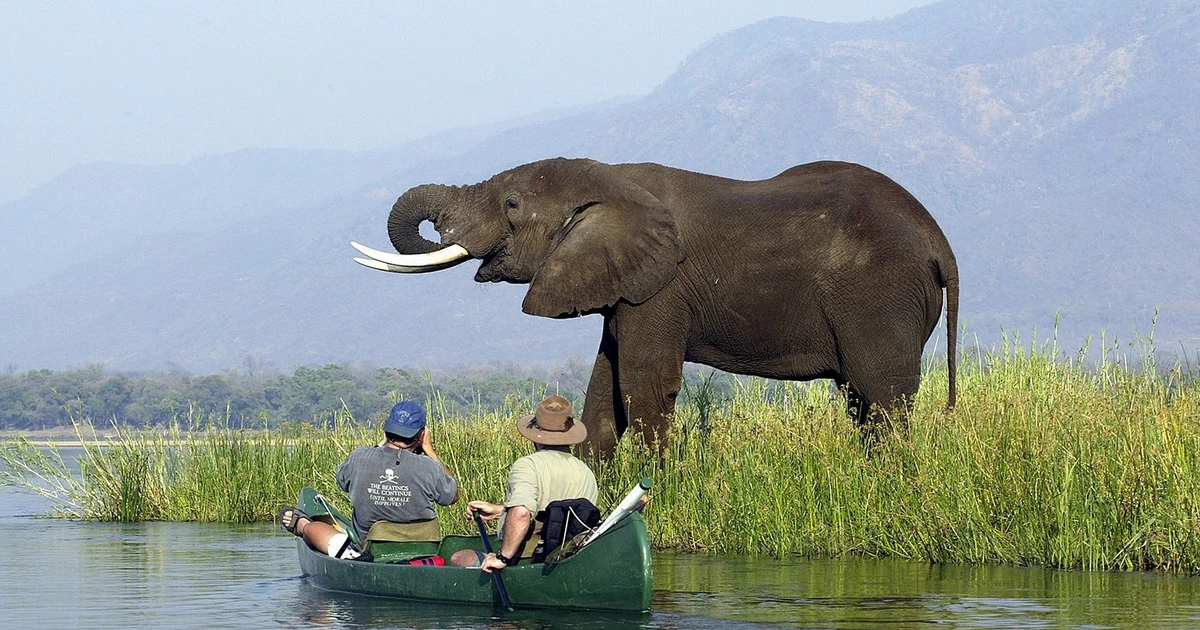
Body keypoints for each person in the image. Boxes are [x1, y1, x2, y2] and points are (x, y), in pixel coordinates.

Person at [280, 400, 458, 561]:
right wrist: (429, 449)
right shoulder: (430, 466)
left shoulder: (360, 457)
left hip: (368, 551)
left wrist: (382, 444)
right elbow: (452, 496)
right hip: (423, 552)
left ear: (387, 430)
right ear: (421, 435)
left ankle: (302, 524)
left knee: (319, 529)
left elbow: (342, 481)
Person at [449, 394, 598, 572]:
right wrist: (500, 510)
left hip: (528, 561)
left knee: (460, 558)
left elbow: (521, 513)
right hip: (570, 562)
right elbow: (559, 512)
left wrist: (502, 558)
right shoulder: (585, 471)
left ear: (536, 434)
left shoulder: (528, 465)